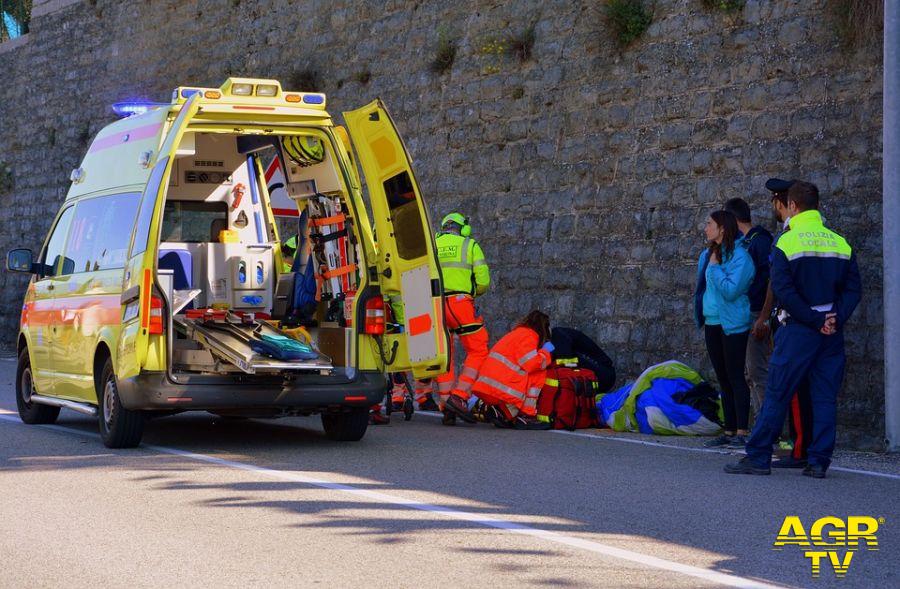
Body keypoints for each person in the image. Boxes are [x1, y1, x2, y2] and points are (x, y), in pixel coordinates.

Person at [725, 181, 861, 478]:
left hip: (799, 329)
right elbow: (853, 290)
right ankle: (818, 462)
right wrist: (834, 317)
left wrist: (813, 320)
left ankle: (758, 456)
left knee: (777, 392)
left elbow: (784, 290)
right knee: (824, 396)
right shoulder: (840, 242)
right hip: (831, 331)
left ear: (794, 206)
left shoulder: (786, 242)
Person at [762, 178, 813, 469]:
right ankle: (804, 446)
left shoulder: (789, 236)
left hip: (793, 320)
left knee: (792, 388)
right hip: (813, 319)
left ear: (784, 204)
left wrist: (765, 318)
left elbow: (777, 283)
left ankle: (798, 448)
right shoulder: (819, 234)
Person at [694, 210, 755, 448]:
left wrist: (715, 269)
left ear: (722, 228)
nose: (705, 228)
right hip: (712, 322)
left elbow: (731, 290)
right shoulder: (708, 254)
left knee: (736, 376)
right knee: (722, 378)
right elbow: (702, 289)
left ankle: (742, 431)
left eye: (709, 224)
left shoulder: (741, 257)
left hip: (733, 323)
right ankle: (729, 431)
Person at [434, 213, 491, 425]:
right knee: (478, 349)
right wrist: (474, 292)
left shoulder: (433, 245)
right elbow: (483, 280)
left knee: (444, 353)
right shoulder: (470, 245)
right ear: (463, 228)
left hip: (435, 304)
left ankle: (446, 402)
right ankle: (459, 396)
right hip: (460, 304)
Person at [724, 197, 773, 418]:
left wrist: (763, 317)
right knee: (749, 373)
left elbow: (771, 282)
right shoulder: (745, 243)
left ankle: (769, 428)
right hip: (746, 314)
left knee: (757, 372)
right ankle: (762, 424)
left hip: (757, 314)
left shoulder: (759, 243)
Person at [470, 310, 554, 430]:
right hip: (500, 390)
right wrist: (545, 352)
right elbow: (531, 364)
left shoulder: (517, 333)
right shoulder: (529, 336)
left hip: (488, 387)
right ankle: (526, 416)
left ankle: (503, 413)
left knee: (530, 371)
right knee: (539, 371)